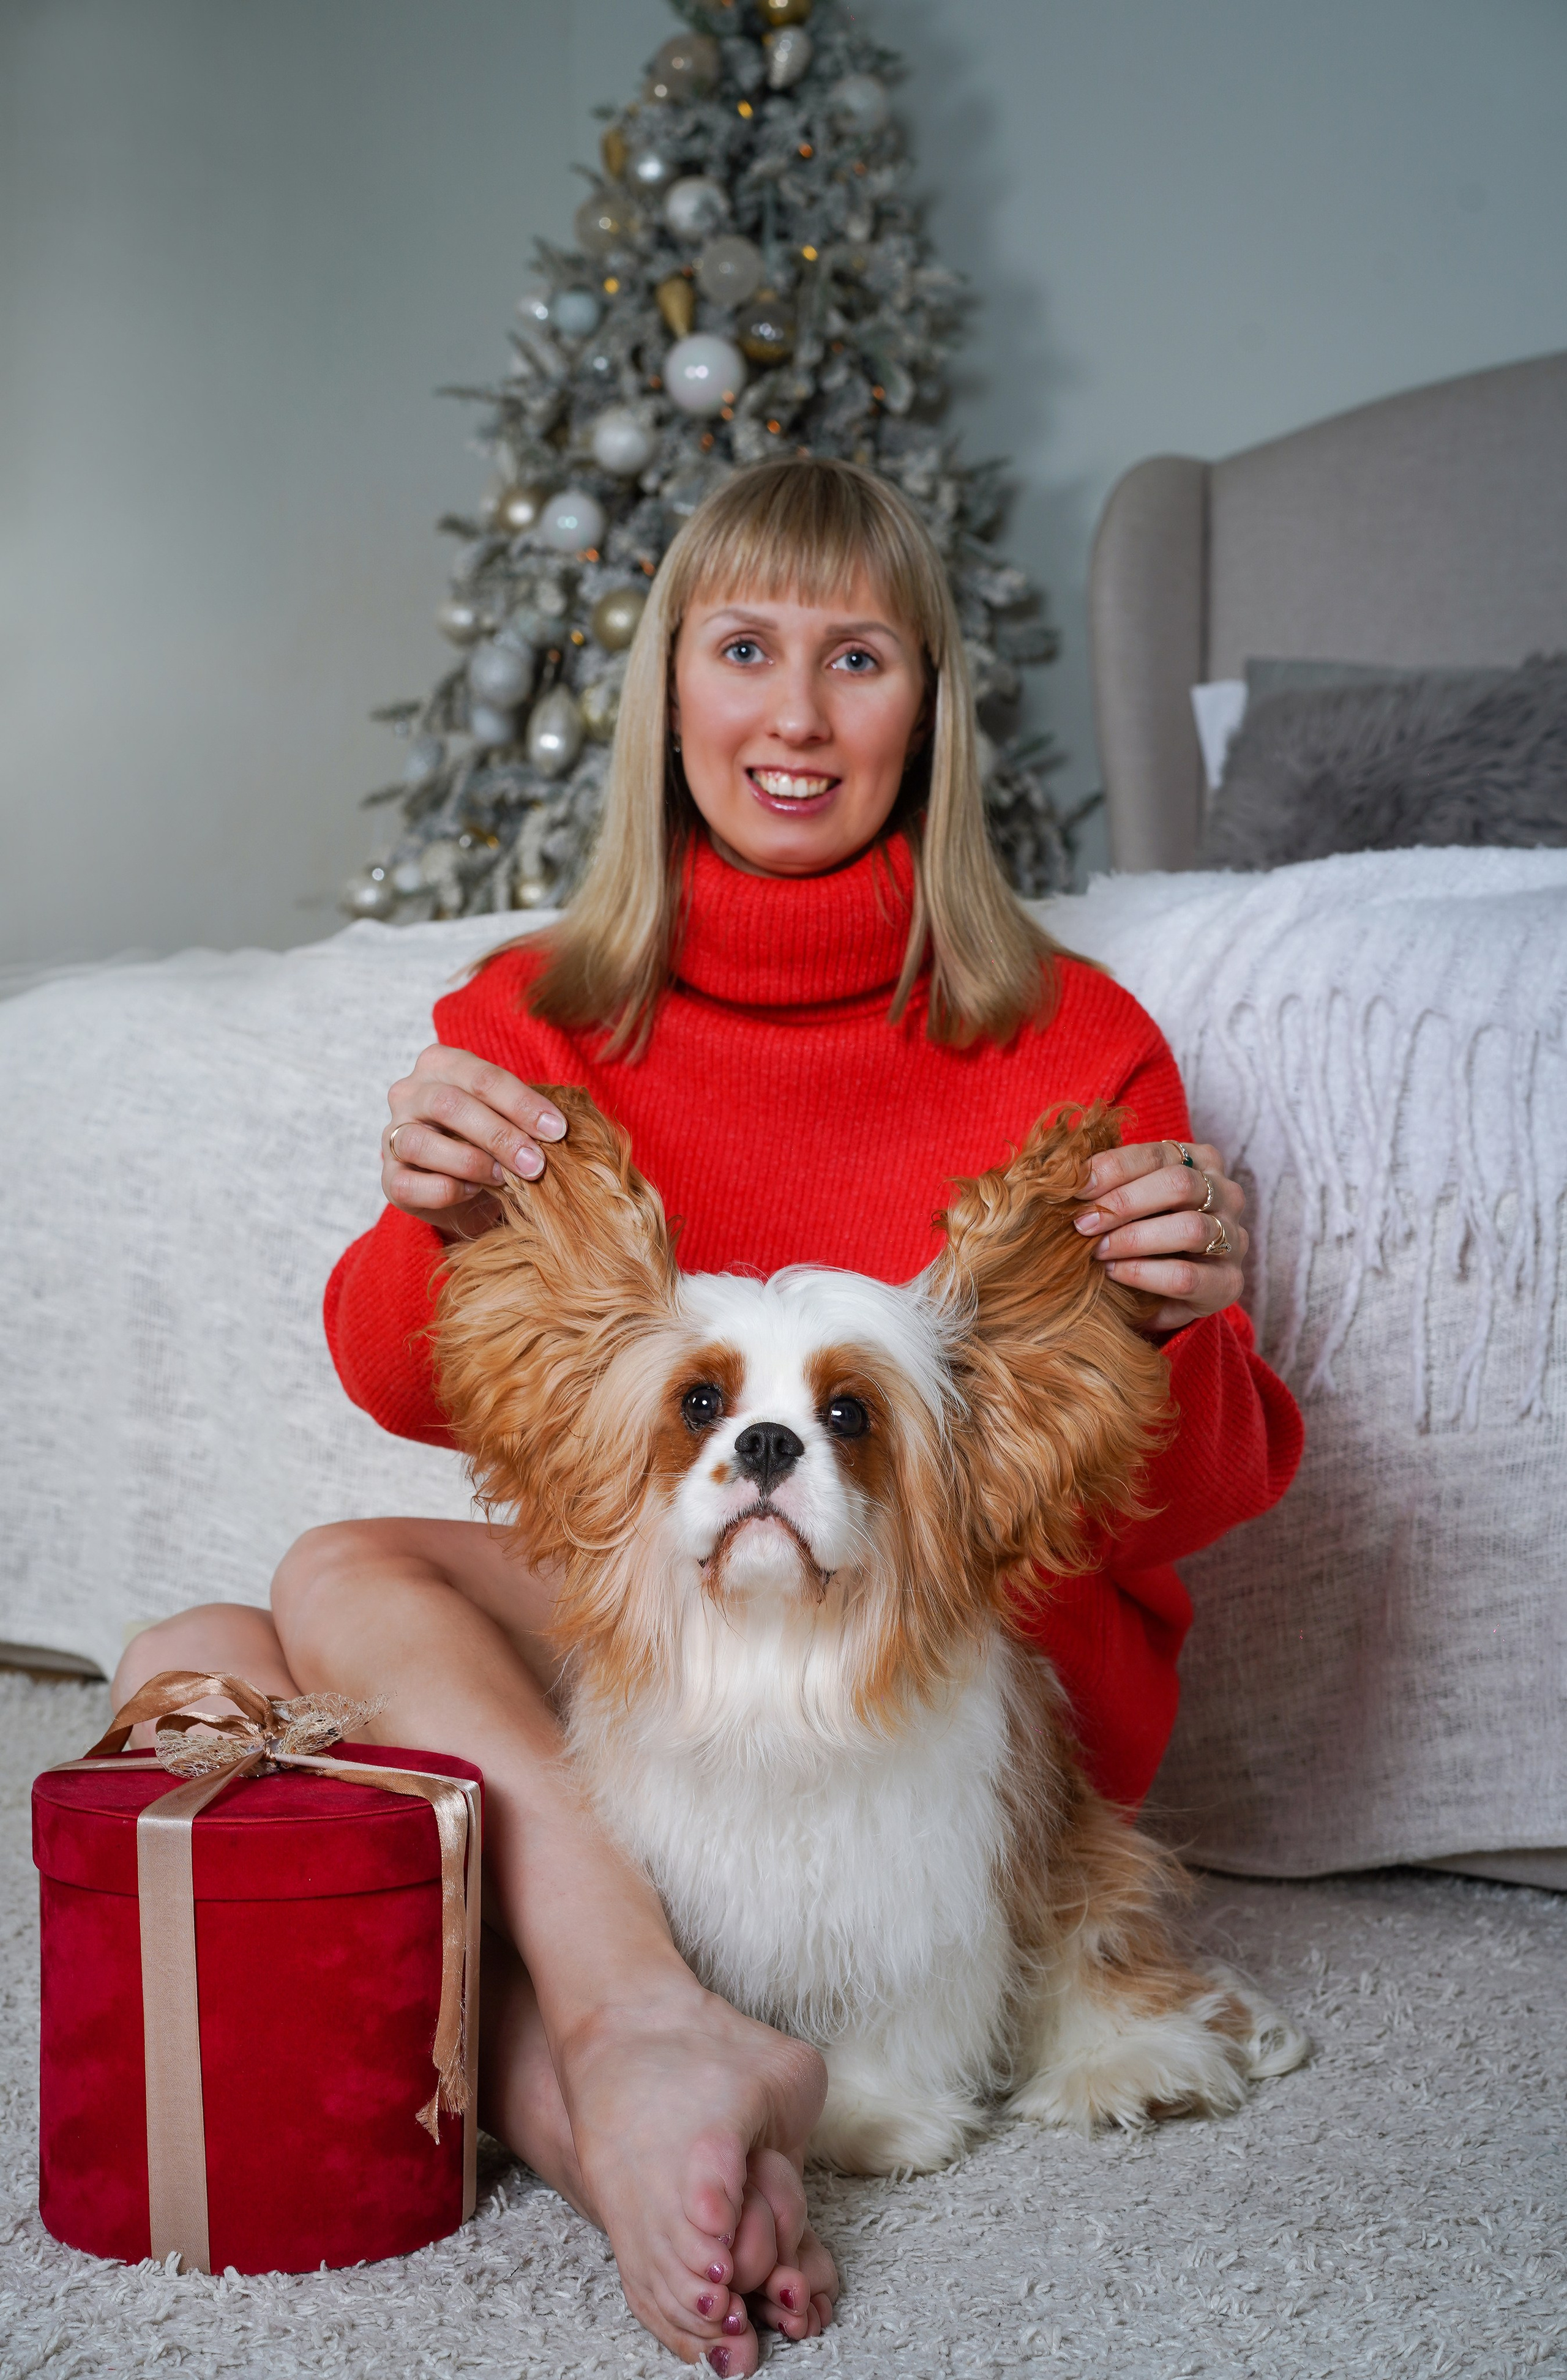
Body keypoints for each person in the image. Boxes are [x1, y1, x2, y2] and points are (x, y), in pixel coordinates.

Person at [117, 458, 1302, 2373]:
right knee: (260, 1616)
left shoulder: (1075, 1037)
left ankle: (602, 2041)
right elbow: (415, 1380)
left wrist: (1176, 1325)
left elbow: (1181, 1505)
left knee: (309, 1706)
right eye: (744, 647)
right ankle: (643, 2032)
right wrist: (426, 1213)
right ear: (670, 683)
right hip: (679, 1604)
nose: (797, 714)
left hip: (955, 1651)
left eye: (859, 658)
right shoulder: (540, 1003)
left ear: (931, 706)